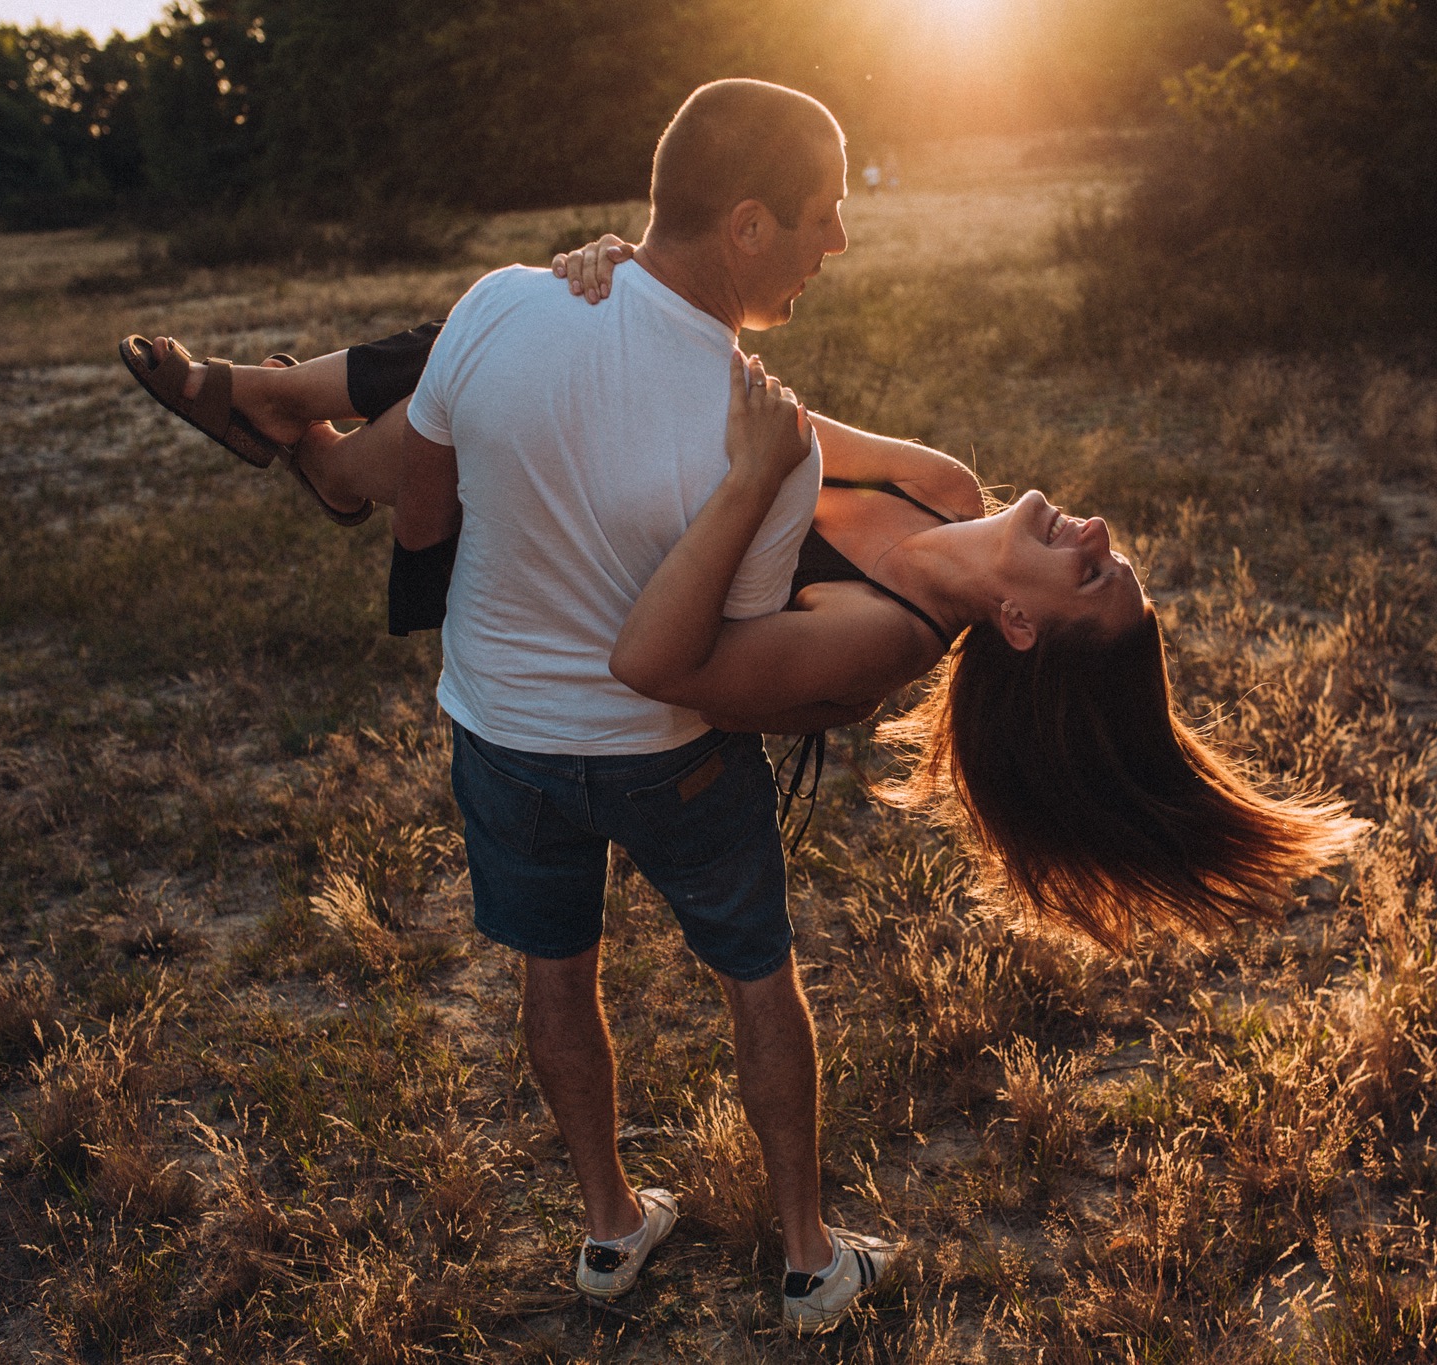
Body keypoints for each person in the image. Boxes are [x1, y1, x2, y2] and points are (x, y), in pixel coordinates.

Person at [126, 78, 898, 1334]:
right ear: (749, 224)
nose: (839, 242)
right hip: (672, 754)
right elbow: (727, 655)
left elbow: (422, 493)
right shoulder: (772, 441)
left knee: (556, 972)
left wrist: (349, 468)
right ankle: (809, 1260)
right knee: (759, 979)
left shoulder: (496, 305)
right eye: (825, 213)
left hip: (502, 739)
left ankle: (609, 1228)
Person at [132, 240, 1366, 955]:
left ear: (1022, 626)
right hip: (625, 473)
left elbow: (666, 662)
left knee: (475, 364)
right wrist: (637, 288)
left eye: (1090, 570)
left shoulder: (872, 645)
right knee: (536, 316)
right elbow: (754, 400)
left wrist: (701, 425)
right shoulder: (942, 484)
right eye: (1111, 547)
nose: (1091, 531)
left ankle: (293, 424)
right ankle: (304, 435)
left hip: (582, 568)